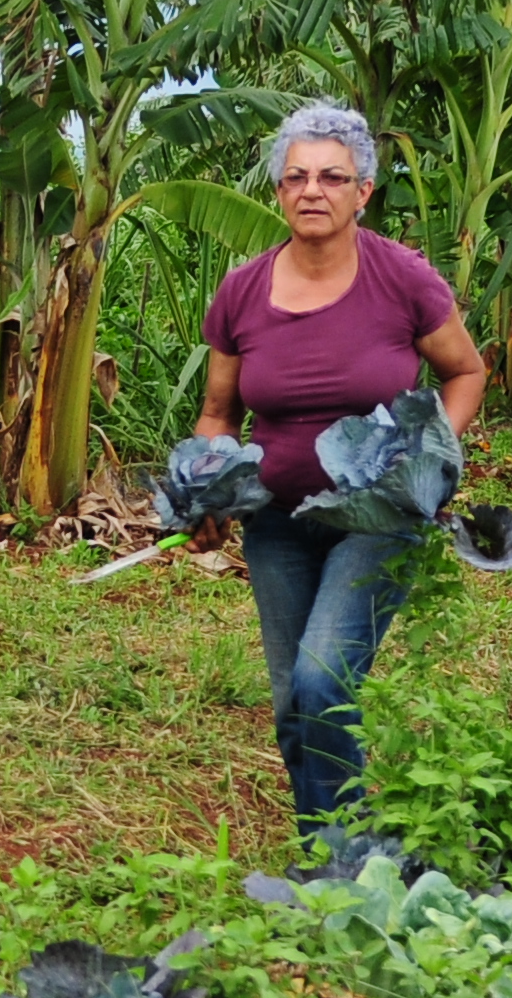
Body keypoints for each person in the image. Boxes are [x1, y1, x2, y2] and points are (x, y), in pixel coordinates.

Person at [189, 101, 489, 857]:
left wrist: (427, 456)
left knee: (324, 681)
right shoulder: (243, 291)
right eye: (295, 178)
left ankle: (342, 860)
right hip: (278, 522)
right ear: (278, 192)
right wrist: (205, 484)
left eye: (332, 176)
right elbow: (218, 413)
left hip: (379, 516)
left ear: (364, 190)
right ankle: (330, 848)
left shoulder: (401, 278)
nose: (311, 190)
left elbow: (465, 371)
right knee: (296, 698)